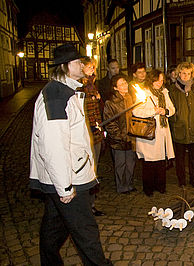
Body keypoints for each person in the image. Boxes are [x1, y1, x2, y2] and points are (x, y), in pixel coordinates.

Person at [29, 44, 111, 265]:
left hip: (70, 172)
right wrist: (64, 186)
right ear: (65, 67)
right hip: (70, 176)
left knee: (54, 228)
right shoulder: (56, 95)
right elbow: (53, 145)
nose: (83, 65)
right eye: (77, 62)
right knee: (85, 229)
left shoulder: (68, 91)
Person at [133, 69, 175, 196]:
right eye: (157, 80)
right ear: (151, 80)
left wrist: (165, 111)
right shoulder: (144, 93)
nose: (159, 83)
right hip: (150, 132)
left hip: (162, 130)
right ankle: (148, 188)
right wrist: (153, 112)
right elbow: (136, 111)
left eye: (162, 80)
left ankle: (160, 186)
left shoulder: (164, 93)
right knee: (149, 161)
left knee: (161, 160)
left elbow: (172, 109)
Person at [169, 62, 194, 188]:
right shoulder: (173, 90)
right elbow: (170, 107)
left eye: (188, 73)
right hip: (180, 127)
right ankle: (181, 179)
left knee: (193, 157)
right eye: (183, 73)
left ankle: (193, 179)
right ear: (179, 73)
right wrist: (176, 117)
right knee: (180, 157)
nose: (186, 76)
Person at [103, 74, 137, 194]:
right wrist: (121, 136)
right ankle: (121, 186)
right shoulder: (111, 102)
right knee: (121, 164)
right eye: (121, 84)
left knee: (130, 163)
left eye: (125, 82)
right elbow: (110, 123)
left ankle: (129, 184)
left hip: (130, 137)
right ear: (115, 88)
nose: (125, 85)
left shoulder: (130, 98)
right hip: (119, 140)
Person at [80, 56, 105, 216]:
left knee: (94, 169)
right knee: (86, 170)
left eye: (93, 68)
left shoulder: (92, 85)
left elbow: (97, 109)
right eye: (89, 68)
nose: (93, 71)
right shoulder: (79, 87)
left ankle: (91, 203)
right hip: (85, 134)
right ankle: (85, 206)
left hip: (95, 133)